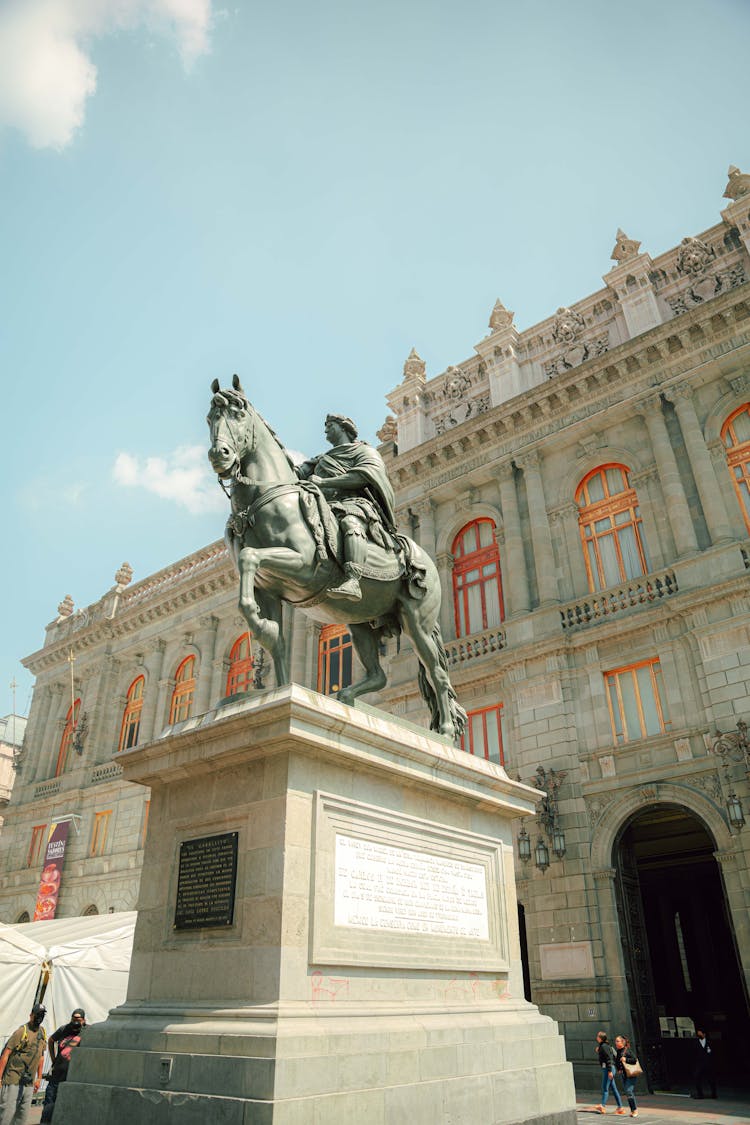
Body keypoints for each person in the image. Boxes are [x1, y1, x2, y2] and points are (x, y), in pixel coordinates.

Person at [297, 414, 398, 602]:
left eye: (330, 425)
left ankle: (353, 579)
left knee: (351, 523)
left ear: (344, 428)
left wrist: (324, 482)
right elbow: (295, 474)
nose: (325, 429)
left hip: (354, 503)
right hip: (323, 507)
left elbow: (362, 477)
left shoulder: (364, 451)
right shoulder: (321, 459)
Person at [0, 1004, 47, 1125]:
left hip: (28, 1082)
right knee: (7, 1115)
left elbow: (41, 1056)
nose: (39, 1017)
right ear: (31, 1015)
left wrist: (39, 1077)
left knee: (22, 1116)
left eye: (42, 1015)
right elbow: (6, 1054)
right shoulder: (22, 1031)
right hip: (13, 1079)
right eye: (37, 1015)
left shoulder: (42, 1032)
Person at [40, 1008, 86, 1123]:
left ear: (84, 1020)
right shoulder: (64, 1029)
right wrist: (54, 1059)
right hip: (57, 1075)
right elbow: (51, 1040)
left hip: (72, 1077)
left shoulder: (87, 1032)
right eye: (73, 1018)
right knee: (49, 1105)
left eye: (78, 1019)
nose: (75, 1021)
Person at [595, 1030, 626, 1114]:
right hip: (610, 1069)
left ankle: (603, 1106)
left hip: (608, 1069)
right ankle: (620, 1108)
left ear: (601, 1038)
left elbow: (609, 1059)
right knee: (614, 1088)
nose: (596, 1037)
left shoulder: (604, 1046)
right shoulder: (604, 1046)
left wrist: (609, 1071)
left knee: (605, 1087)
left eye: (598, 1036)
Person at [615, 1034, 639, 1118]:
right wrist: (619, 1068)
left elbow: (634, 1060)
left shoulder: (627, 1050)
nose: (616, 1042)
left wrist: (626, 1059)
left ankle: (635, 1110)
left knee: (629, 1091)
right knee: (628, 1092)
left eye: (617, 1041)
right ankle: (633, 1110)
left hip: (631, 1074)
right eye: (616, 1041)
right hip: (624, 1075)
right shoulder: (618, 1051)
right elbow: (617, 1061)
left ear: (623, 1042)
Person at [693, 1028, 717, 1099]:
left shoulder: (709, 1042)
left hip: (708, 1064)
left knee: (711, 1079)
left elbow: (713, 1054)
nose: (699, 1034)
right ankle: (700, 1094)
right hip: (699, 1064)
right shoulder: (696, 1043)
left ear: (704, 1034)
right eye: (698, 1033)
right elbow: (694, 1054)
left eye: (700, 1033)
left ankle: (714, 1094)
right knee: (697, 1078)